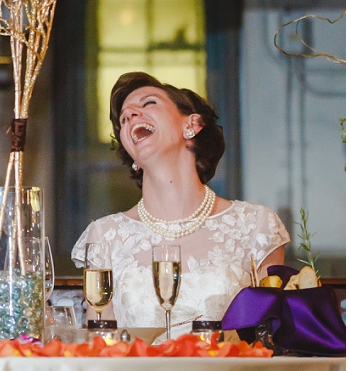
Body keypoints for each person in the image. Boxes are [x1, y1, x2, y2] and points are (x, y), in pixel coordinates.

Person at [72, 72, 290, 330]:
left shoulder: (256, 226)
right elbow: (100, 348)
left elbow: (270, 340)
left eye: (148, 103)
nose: (130, 115)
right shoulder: (104, 236)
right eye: (123, 119)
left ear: (192, 125)